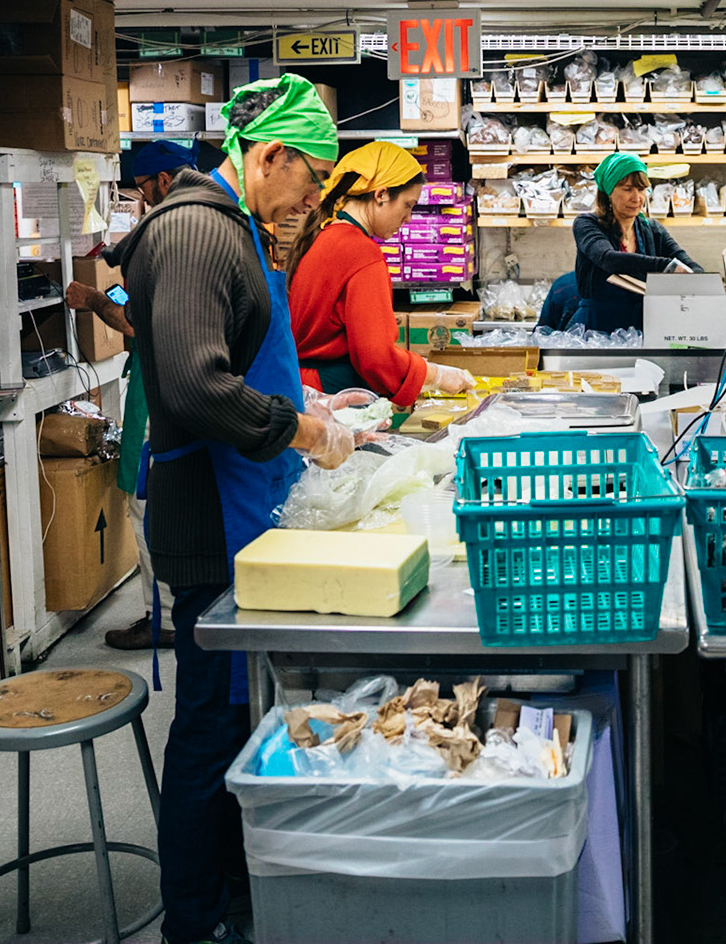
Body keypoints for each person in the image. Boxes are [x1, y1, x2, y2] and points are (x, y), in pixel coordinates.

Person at [107, 73, 364, 944]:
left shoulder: (234, 229)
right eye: (309, 179)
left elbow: (243, 358)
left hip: (246, 506)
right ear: (268, 157)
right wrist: (298, 431)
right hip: (213, 519)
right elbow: (193, 385)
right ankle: (196, 917)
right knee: (211, 721)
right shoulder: (193, 234)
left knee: (232, 710)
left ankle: (231, 882)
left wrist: (310, 408)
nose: (313, 200)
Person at [63, 139, 195, 650]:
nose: (140, 200)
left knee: (146, 506)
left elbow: (137, 325)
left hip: (157, 391)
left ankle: (160, 617)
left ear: (162, 181)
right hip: (178, 393)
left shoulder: (162, 237)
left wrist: (93, 298)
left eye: (141, 190)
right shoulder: (195, 229)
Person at [286, 139, 476, 401]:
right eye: (407, 205)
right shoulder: (361, 253)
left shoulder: (323, 236)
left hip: (302, 388)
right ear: (381, 194)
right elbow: (376, 357)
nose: (408, 218)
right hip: (333, 394)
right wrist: (438, 376)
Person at [571, 152, 701, 332]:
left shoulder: (652, 229)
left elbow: (683, 260)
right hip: (595, 330)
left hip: (640, 327)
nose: (636, 198)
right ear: (609, 191)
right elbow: (608, 259)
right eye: (627, 189)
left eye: (641, 189)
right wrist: (668, 267)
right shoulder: (587, 224)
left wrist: (701, 278)